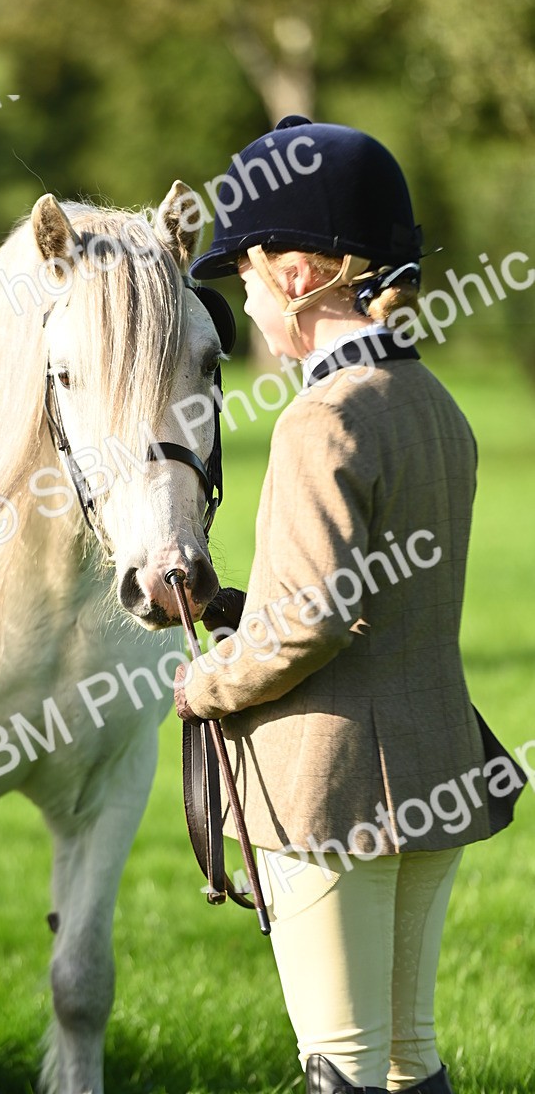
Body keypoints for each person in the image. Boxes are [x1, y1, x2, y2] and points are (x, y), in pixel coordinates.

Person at [174, 116, 525, 1094]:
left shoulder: (319, 420)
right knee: (412, 1058)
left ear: (297, 276)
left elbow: (315, 622)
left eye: (243, 274)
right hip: (434, 765)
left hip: (329, 791)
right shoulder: (434, 405)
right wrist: (231, 601)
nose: (242, 298)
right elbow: (368, 595)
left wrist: (209, 681)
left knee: (343, 1066)